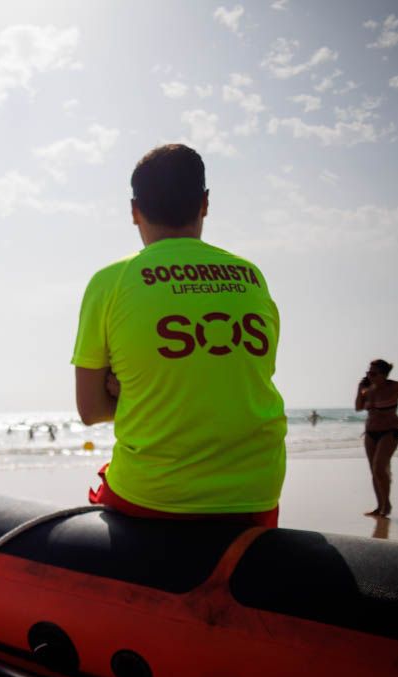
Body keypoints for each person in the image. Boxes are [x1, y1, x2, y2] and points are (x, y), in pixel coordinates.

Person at [71, 144, 285, 525]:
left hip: (152, 495)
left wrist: (128, 393)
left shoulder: (111, 282)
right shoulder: (252, 276)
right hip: (256, 493)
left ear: (134, 211)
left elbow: (90, 411)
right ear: (205, 203)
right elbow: (237, 380)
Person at [355, 359, 398, 518]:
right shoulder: (367, 389)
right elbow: (358, 407)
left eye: (373, 373)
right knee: (374, 471)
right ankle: (379, 506)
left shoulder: (395, 387)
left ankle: (386, 504)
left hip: (389, 431)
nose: (369, 376)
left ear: (384, 375)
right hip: (370, 433)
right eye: (368, 372)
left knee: (379, 468)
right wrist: (360, 389)